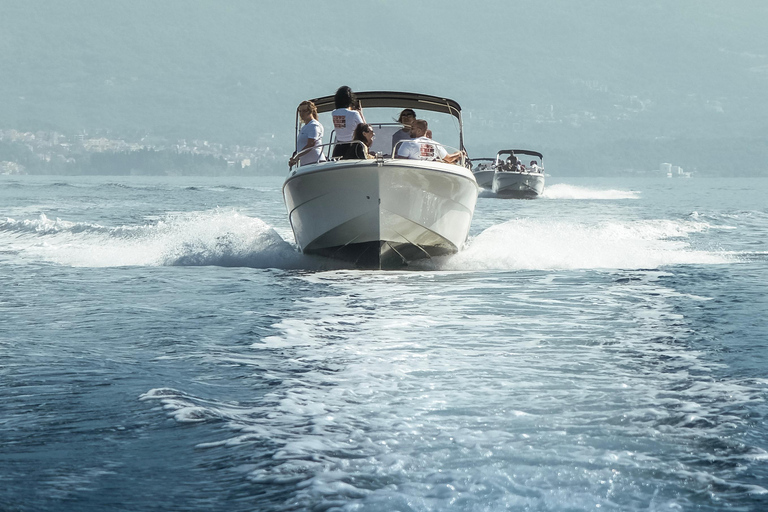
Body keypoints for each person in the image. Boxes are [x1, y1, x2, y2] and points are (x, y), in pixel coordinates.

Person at [395, 119, 464, 164]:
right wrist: (459, 153)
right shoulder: (436, 145)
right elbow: (449, 158)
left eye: (412, 128)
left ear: (419, 130)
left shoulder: (408, 143)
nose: (410, 131)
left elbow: (400, 161)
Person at [331, 86, 365, 158]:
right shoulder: (354, 114)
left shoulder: (334, 113)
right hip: (351, 146)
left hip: (338, 147)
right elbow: (363, 128)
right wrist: (360, 113)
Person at [289, 101, 325, 167]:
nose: (301, 114)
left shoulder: (314, 125)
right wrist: (295, 159)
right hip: (306, 164)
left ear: (310, 111)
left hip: (316, 162)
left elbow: (311, 144)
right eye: (300, 111)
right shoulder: (305, 127)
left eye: (304, 111)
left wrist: (297, 156)